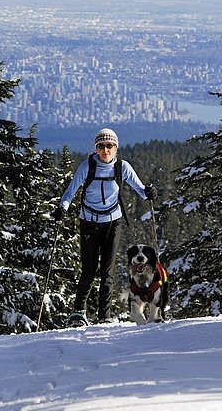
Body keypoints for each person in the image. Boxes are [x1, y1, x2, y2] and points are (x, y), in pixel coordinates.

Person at [54, 127, 157, 326]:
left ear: (116, 148)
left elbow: (141, 190)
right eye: (101, 146)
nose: (105, 150)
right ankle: (78, 313)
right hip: (89, 223)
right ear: (95, 148)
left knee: (107, 271)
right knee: (89, 269)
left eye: (110, 146)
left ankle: (105, 315)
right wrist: (62, 208)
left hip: (112, 222)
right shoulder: (87, 167)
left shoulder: (122, 167)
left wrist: (150, 192)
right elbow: (70, 192)